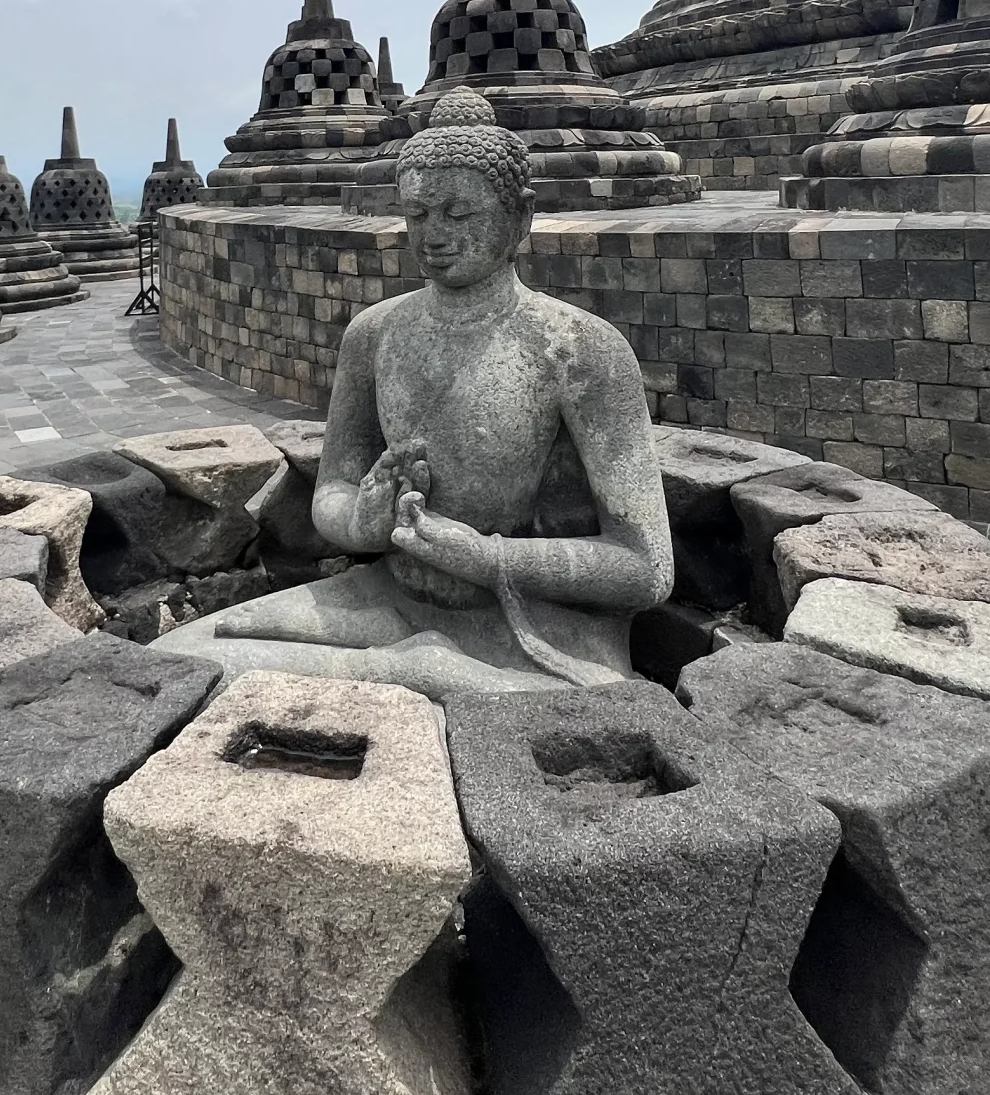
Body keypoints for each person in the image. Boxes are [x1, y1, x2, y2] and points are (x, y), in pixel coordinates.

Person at [153, 89, 671, 695]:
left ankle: (410, 676)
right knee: (182, 658)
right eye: (419, 215)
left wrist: (488, 560)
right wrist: (363, 520)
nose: (434, 236)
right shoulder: (374, 334)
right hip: (392, 596)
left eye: (459, 214)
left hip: (531, 624)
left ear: (520, 218)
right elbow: (335, 495)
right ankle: (410, 673)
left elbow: (646, 566)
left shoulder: (578, 348)